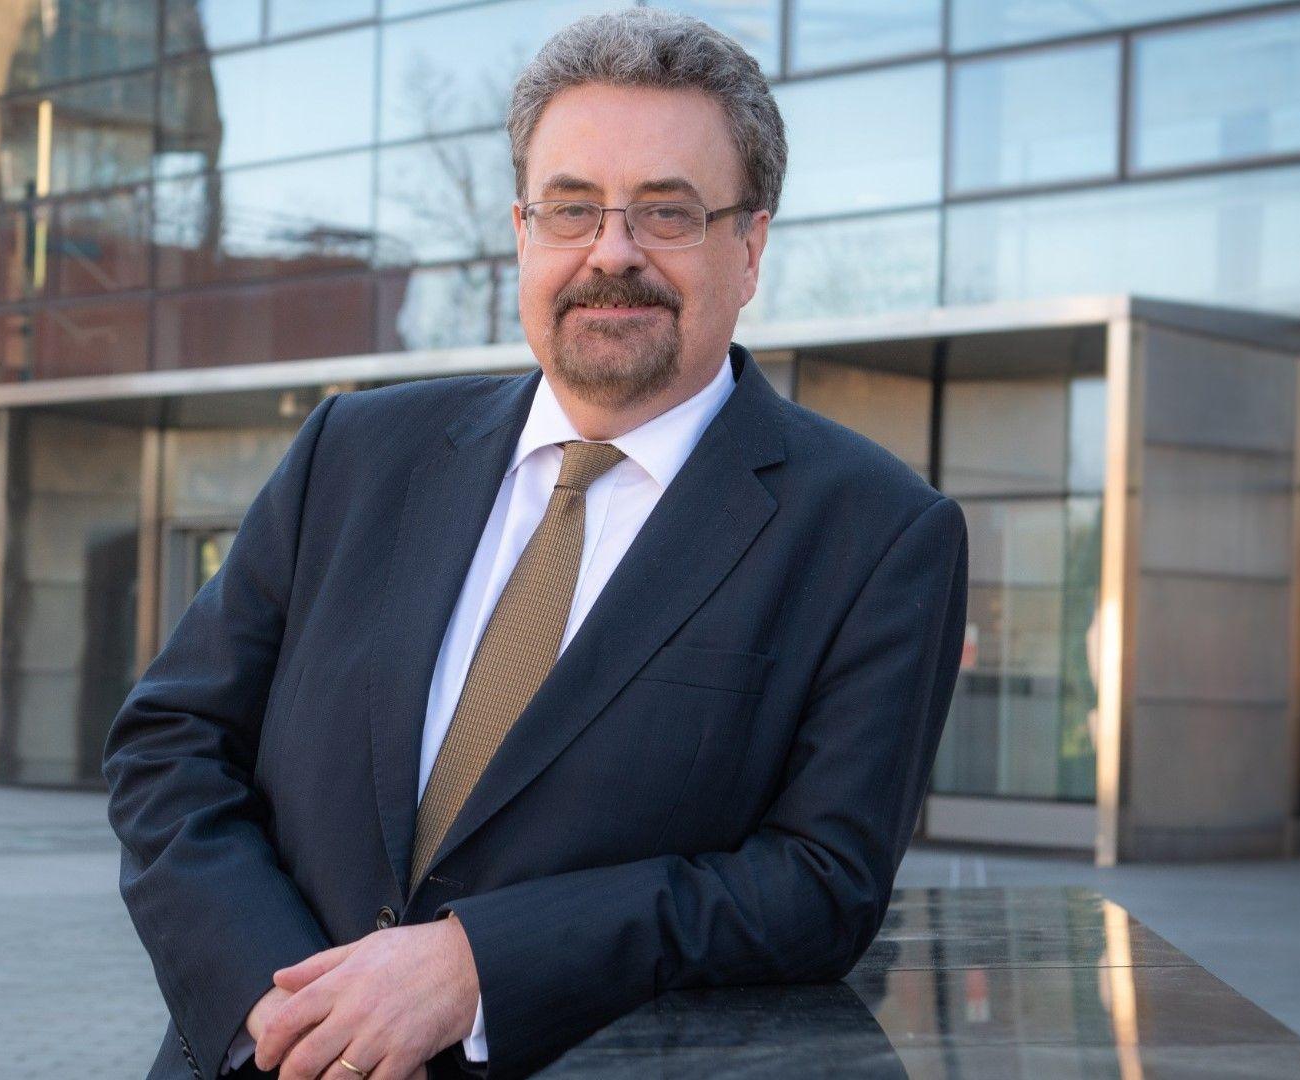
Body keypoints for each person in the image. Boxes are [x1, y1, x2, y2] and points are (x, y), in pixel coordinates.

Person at [103, 10, 969, 1080]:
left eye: (669, 213)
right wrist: (284, 1018)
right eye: (573, 209)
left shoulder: (877, 536)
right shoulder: (353, 453)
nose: (613, 253)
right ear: (522, 230)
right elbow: (172, 743)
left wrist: (476, 966)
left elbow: (819, 883)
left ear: (749, 248)